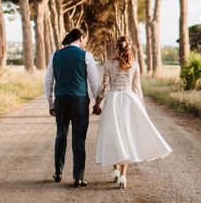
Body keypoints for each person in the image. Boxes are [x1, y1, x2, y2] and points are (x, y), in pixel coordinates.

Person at [93, 35, 172, 189]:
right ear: (130, 47)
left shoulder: (109, 65)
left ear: (117, 47)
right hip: (129, 100)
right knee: (126, 135)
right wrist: (141, 106)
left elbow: (104, 88)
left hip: (113, 101)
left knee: (113, 134)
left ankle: (115, 170)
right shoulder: (134, 65)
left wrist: (97, 103)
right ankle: (123, 175)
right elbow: (137, 88)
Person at [44, 28, 100, 188]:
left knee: (61, 135)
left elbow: (48, 82)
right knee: (79, 139)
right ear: (81, 38)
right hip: (79, 100)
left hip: (61, 100)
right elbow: (94, 82)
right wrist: (97, 102)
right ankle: (78, 177)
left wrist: (51, 103)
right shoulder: (86, 56)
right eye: (85, 39)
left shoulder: (56, 55)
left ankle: (58, 172)